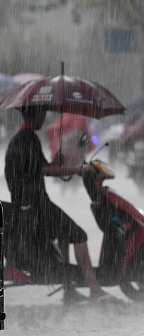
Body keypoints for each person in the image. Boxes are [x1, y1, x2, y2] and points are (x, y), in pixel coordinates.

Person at [4, 105, 116, 302]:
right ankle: (95, 289)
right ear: (36, 116)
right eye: (42, 115)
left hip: (28, 204)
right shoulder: (27, 139)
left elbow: (40, 167)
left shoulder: (22, 138)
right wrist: (79, 171)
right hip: (36, 207)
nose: (44, 119)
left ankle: (68, 290)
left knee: (65, 235)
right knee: (79, 235)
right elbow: (45, 171)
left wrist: (58, 161)